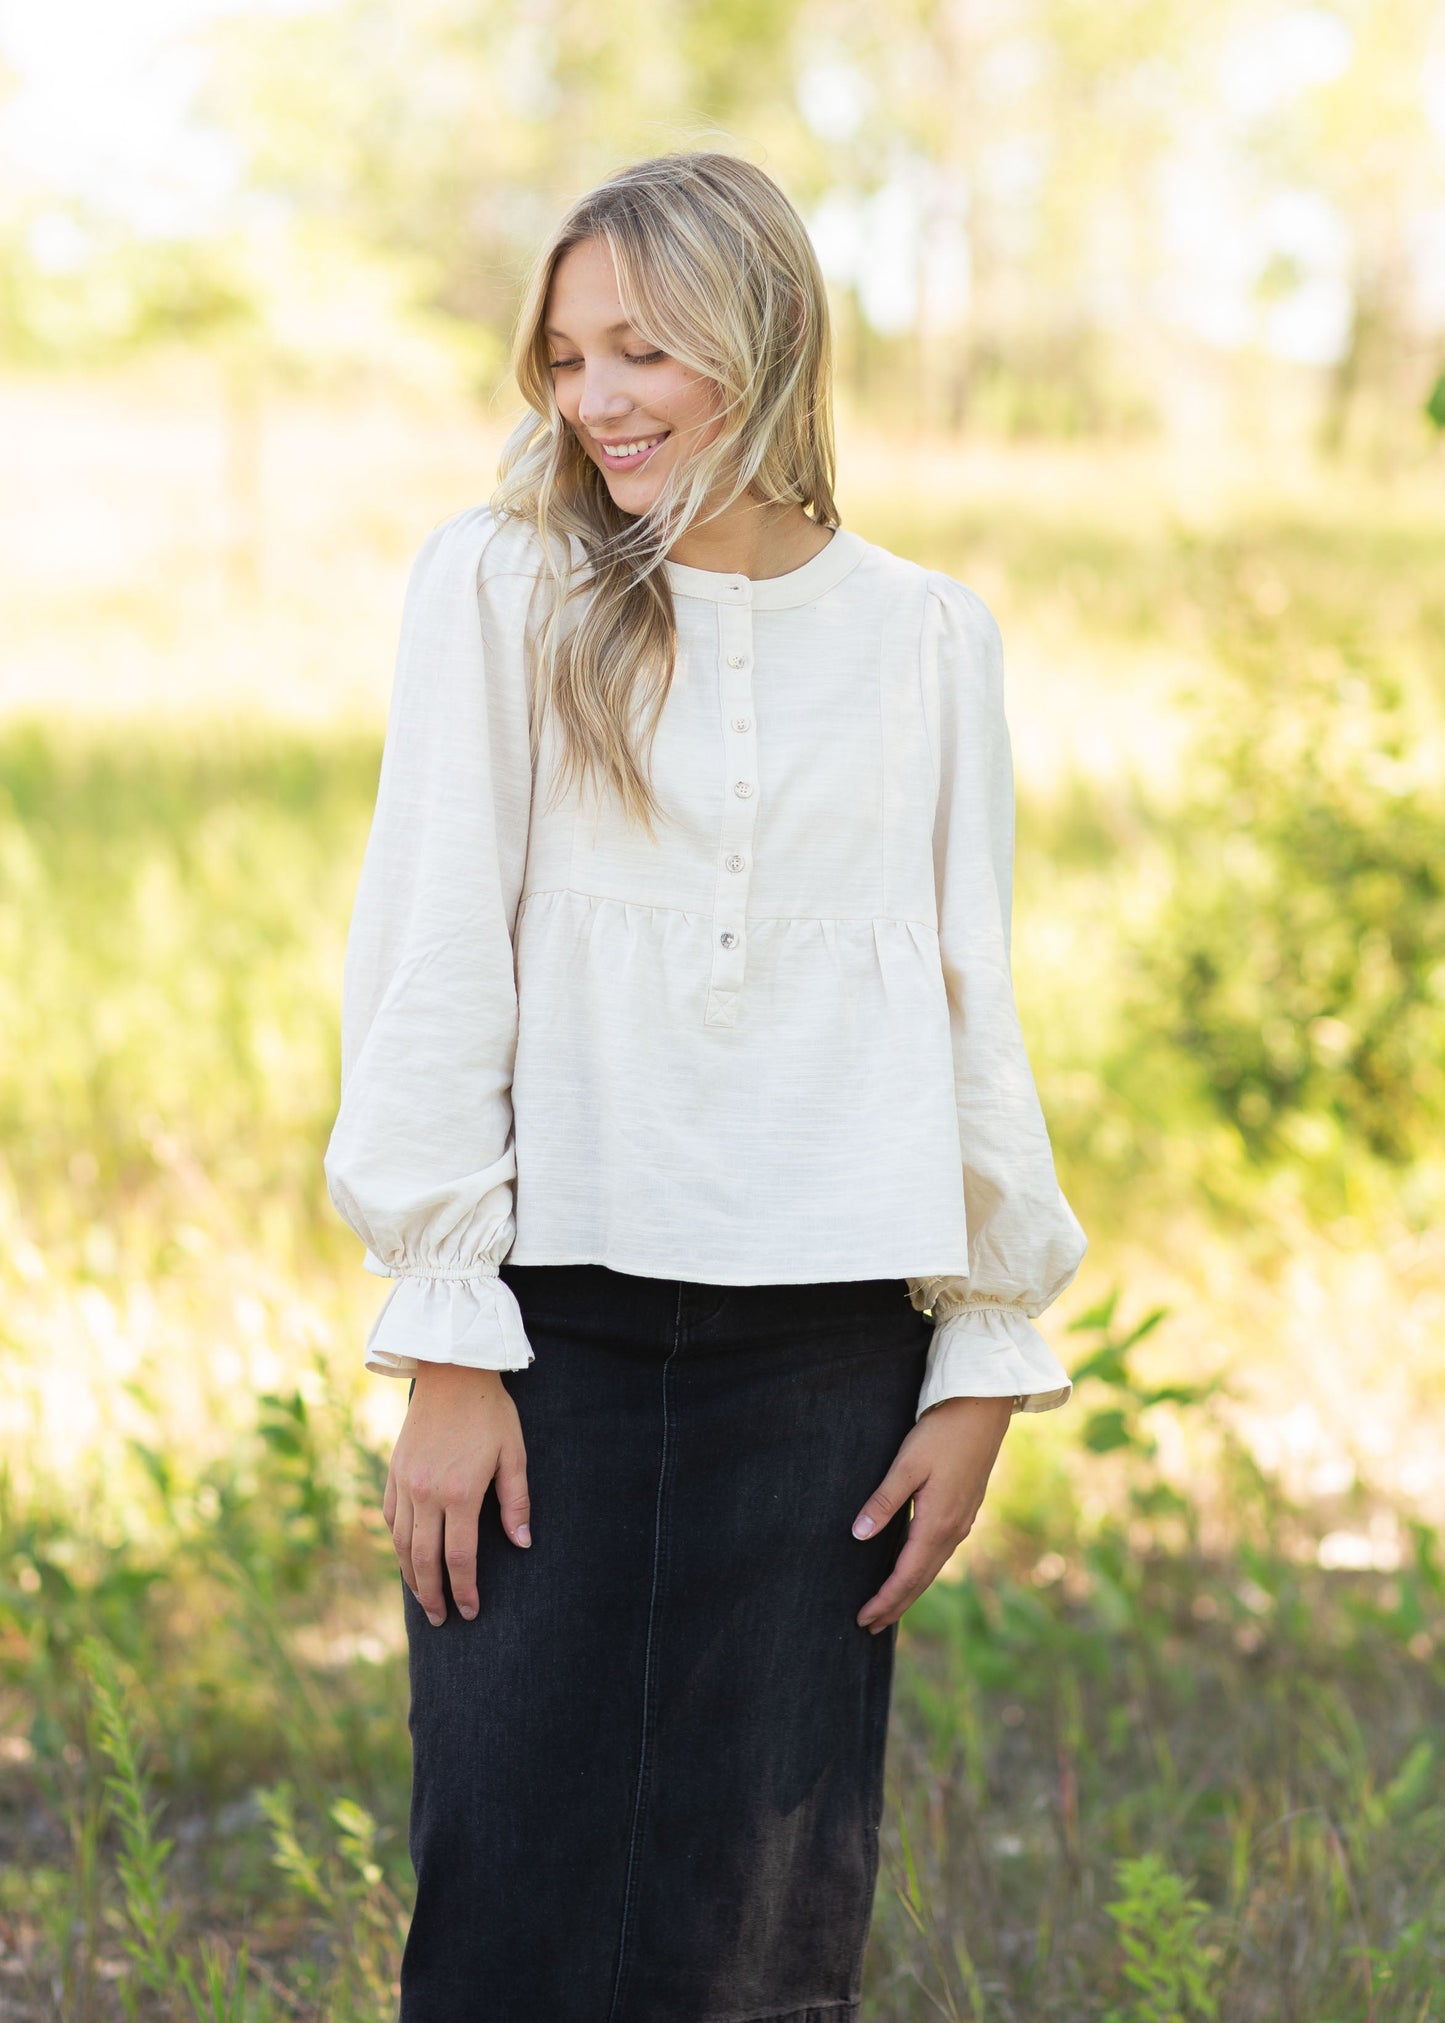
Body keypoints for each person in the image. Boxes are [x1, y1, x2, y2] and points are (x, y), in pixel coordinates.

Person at [324, 149, 1086, 2023]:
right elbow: (435, 958)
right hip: (549, 1334)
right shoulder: (503, 589)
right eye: (567, 359)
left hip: (826, 1351)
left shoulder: (922, 640)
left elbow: (971, 997)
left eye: (643, 351)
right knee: (505, 1891)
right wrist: (444, 1339)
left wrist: (983, 1353)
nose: (596, 403)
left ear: (762, 341)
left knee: (761, 1932)